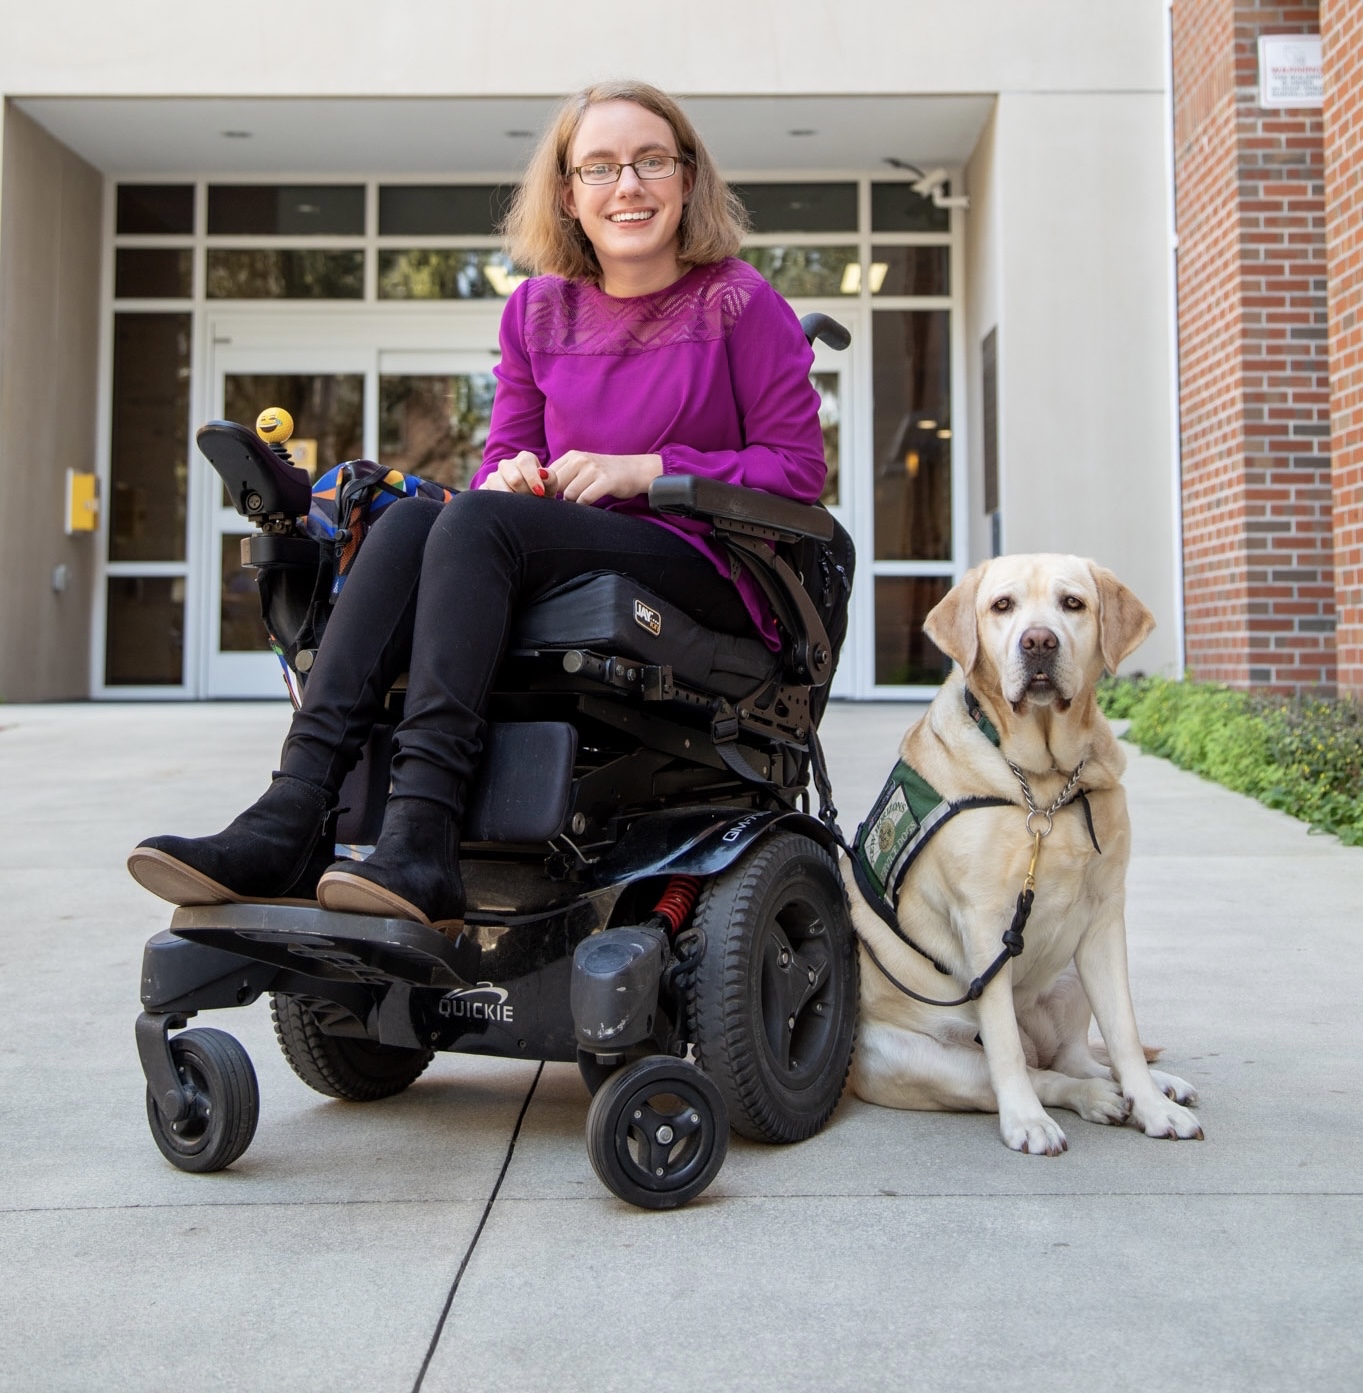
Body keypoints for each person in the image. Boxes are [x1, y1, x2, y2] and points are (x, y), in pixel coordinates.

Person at [127, 79, 827, 930]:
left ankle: (422, 828)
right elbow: (504, 456)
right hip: (564, 543)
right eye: (599, 168)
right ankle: (293, 811)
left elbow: (796, 472)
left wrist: (643, 468)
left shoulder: (737, 300)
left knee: (471, 521)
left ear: (686, 178)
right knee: (419, 516)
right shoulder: (537, 310)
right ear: (568, 194)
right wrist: (512, 475)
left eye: (650, 161)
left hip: (708, 562)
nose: (627, 186)